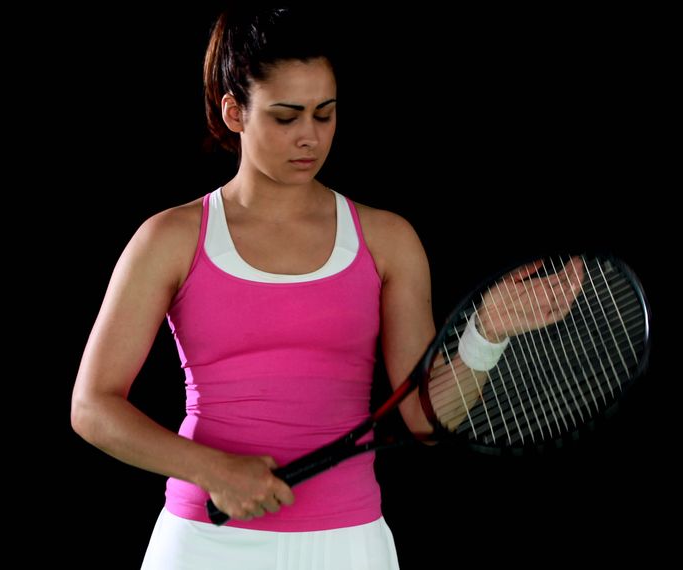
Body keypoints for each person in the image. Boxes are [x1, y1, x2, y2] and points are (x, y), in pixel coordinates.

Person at [70, 5, 453, 568]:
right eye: (285, 116)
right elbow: (92, 407)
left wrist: (490, 334)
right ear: (234, 112)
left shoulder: (387, 239)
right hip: (204, 542)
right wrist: (211, 469)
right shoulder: (171, 238)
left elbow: (423, 420)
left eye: (325, 114)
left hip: (349, 543)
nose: (310, 137)